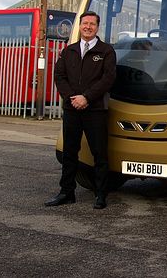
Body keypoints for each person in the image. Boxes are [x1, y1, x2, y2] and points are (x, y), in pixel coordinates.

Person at [45, 11, 116, 209]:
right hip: (72, 109)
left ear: (97, 27)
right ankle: (66, 192)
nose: (88, 27)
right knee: (69, 152)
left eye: (92, 24)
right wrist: (72, 98)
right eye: (85, 23)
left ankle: (101, 194)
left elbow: (108, 79)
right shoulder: (69, 51)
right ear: (80, 26)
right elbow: (60, 76)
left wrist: (87, 97)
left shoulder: (106, 51)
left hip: (96, 110)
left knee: (99, 154)